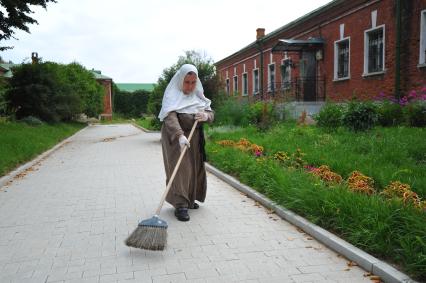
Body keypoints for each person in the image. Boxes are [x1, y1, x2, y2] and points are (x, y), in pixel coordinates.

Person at [158, 64, 214, 222]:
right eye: (187, 82)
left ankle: (190, 199)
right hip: (175, 138)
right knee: (181, 169)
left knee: (194, 168)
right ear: (180, 80)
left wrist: (206, 116)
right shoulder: (172, 95)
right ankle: (180, 205)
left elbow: (210, 112)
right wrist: (179, 135)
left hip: (195, 137)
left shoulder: (198, 95)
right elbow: (170, 117)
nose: (190, 86)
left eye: (193, 82)